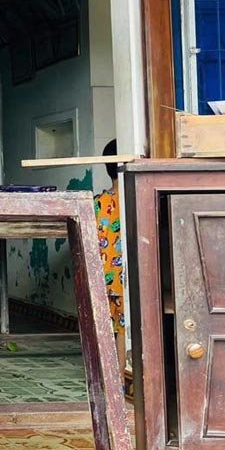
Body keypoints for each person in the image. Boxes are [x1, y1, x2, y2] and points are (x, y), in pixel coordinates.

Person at [94, 139, 127, 372]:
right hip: (126, 279)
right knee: (125, 329)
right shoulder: (134, 200)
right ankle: (121, 379)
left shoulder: (97, 203)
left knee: (107, 327)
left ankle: (107, 375)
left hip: (104, 277)